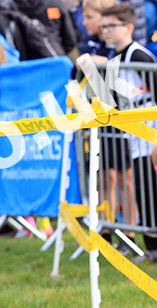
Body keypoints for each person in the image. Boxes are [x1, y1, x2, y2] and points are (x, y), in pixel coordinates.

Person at [95, 3, 157, 258]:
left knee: (149, 190)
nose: (106, 31)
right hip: (133, 134)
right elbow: (111, 96)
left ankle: (154, 248)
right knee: (144, 190)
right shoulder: (116, 58)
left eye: (112, 26)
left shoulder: (138, 55)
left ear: (129, 27)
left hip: (148, 133)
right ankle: (151, 249)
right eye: (104, 26)